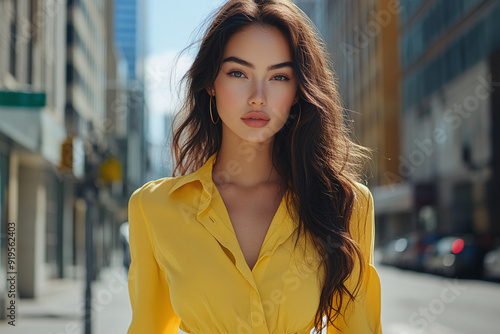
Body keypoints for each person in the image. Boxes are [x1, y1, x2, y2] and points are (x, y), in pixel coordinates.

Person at [127, 0, 382, 333]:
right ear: (211, 84)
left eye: (279, 76)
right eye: (238, 73)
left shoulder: (346, 204)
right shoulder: (154, 207)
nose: (258, 97)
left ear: (297, 91)